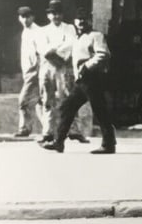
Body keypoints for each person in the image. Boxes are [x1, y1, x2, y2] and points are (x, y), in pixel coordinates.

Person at [41, 8, 116, 154]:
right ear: (74, 22)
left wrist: (87, 66)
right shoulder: (76, 38)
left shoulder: (96, 35)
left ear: (89, 20)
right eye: (78, 19)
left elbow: (103, 54)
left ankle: (109, 144)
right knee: (67, 107)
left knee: (100, 111)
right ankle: (58, 142)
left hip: (93, 79)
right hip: (81, 82)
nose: (81, 22)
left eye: (84, 19)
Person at [35, 0, 87, 144]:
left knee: (68, 98)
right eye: (53, 14)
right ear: (48, 15)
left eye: (58, 13)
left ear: (62, 15)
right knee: (47, 99)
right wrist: (53, 51)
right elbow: (42, 49)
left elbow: (70, 44)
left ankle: (74, 131)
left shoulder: (69, 28)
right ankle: (48, 132)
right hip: (47, 66)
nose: (56, 17)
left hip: (63, 65)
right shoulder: (42, 30)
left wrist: (56, 50)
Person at [13, 6, 42, 137]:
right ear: (19, 18)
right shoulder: (26, 32)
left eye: (28, 16)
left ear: (33, 17)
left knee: (23, 101)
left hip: (35, 72)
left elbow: (41, 53)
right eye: (22, 17)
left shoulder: (38, 32)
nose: (25, 19)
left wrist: (36, 70)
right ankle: (50, 131)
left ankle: (25, 128)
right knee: (41, 103)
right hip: (28, 72)